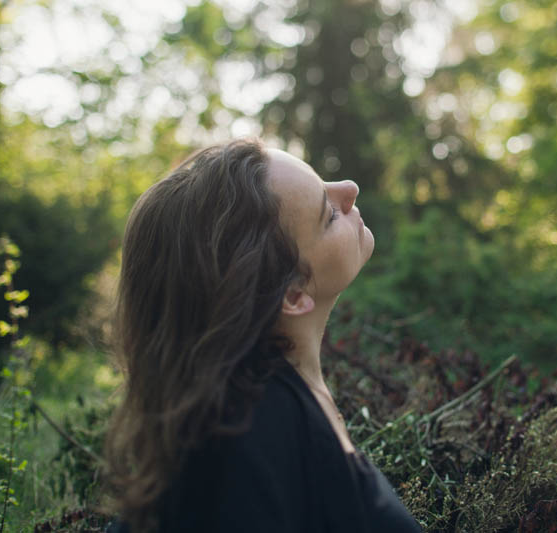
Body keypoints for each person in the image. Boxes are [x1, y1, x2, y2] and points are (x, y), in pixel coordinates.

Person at [105, 139, 421, 532]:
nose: (349, 188)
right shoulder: (247, 437)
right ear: (292, 294)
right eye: (327, 215)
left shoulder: (264, 407)